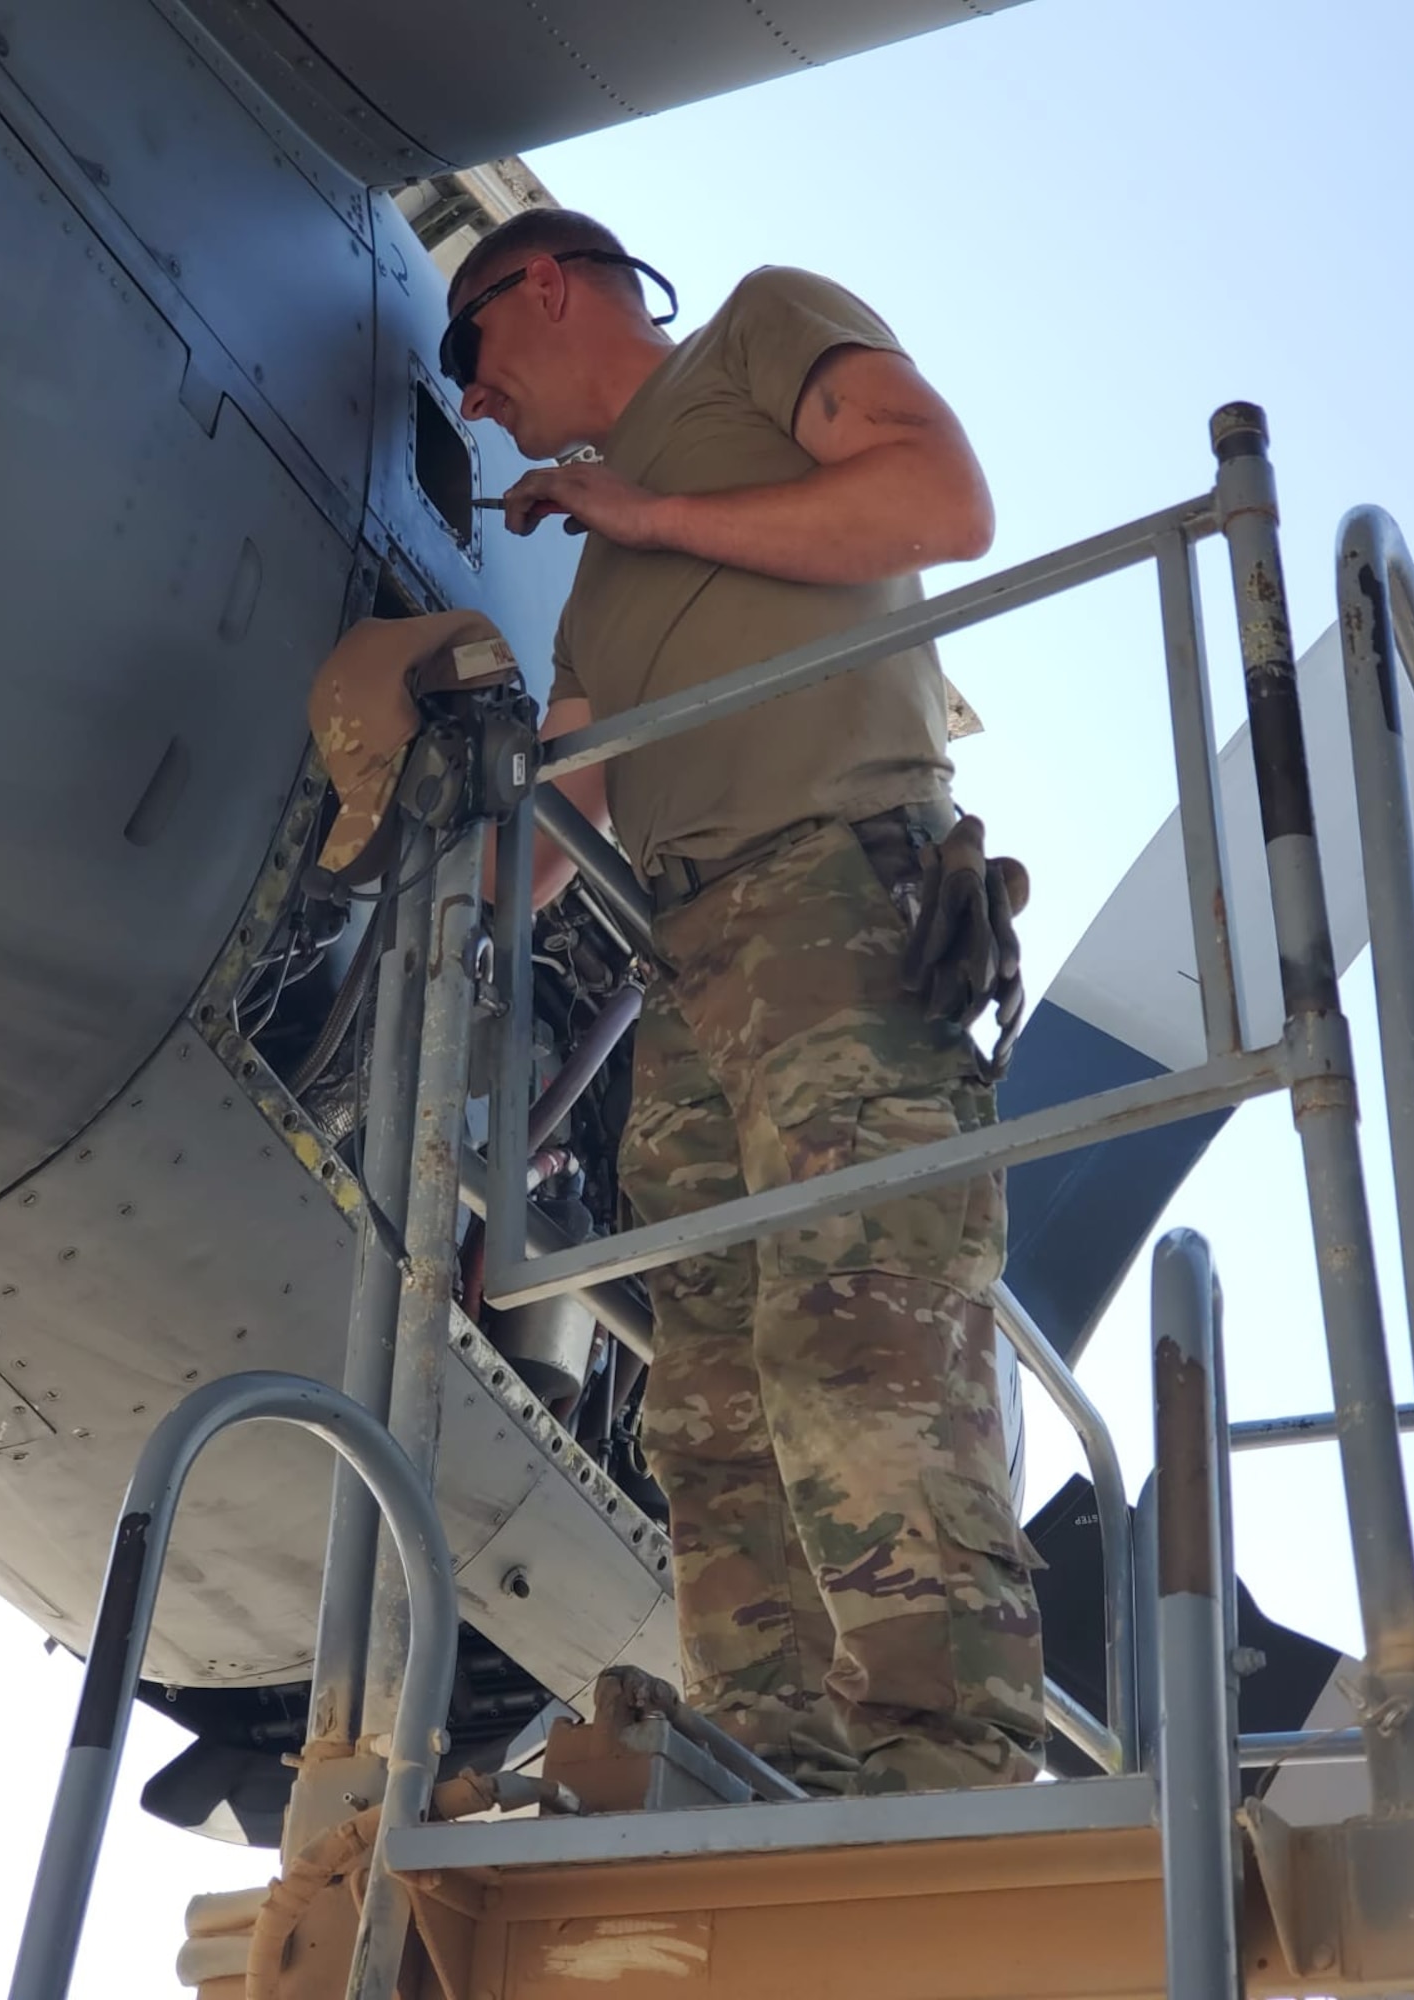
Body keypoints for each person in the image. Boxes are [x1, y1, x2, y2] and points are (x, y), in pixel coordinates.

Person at [443, 209, 1045, 1796]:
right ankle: (764, 1770)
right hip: (690, 970)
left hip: (838, 899)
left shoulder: (764, 333)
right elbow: (565, 826)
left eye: (473, 352)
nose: (475, 399)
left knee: (864, 1329)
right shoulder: (600, 590)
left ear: (545, 286)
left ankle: (947, 1773)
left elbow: (941, 499)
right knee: (708, 1397)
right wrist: (449, 812)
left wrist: (643, 504)